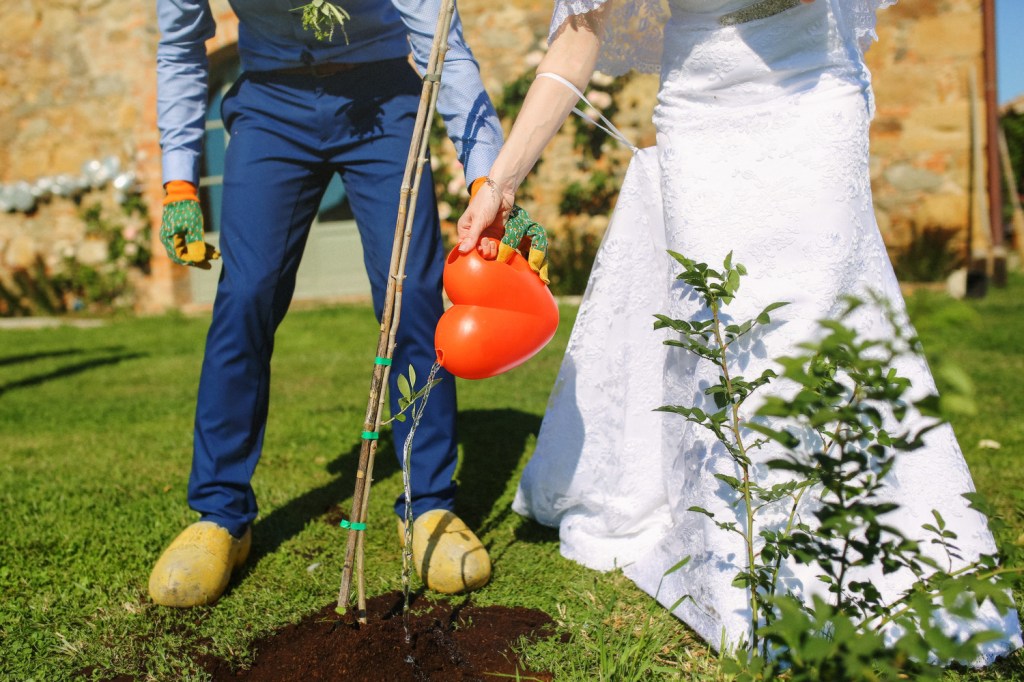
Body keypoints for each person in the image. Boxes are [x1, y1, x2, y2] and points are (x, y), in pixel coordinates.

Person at [457, 0, 1022, 663]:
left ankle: (853, 536)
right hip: (698, 109)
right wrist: (501, 182)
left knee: (818, 315)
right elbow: (579, 34)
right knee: (722, 331)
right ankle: (747, 561)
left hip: (811, 86)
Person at [148, 0, 502, 607]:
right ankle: (220, 514)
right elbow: (180, 45)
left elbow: (443, 45)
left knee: (411, 294)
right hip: (270, 102)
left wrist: (485, 178)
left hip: (383, 94)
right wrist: (180, 180)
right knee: (245, 295)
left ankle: (428, 505)